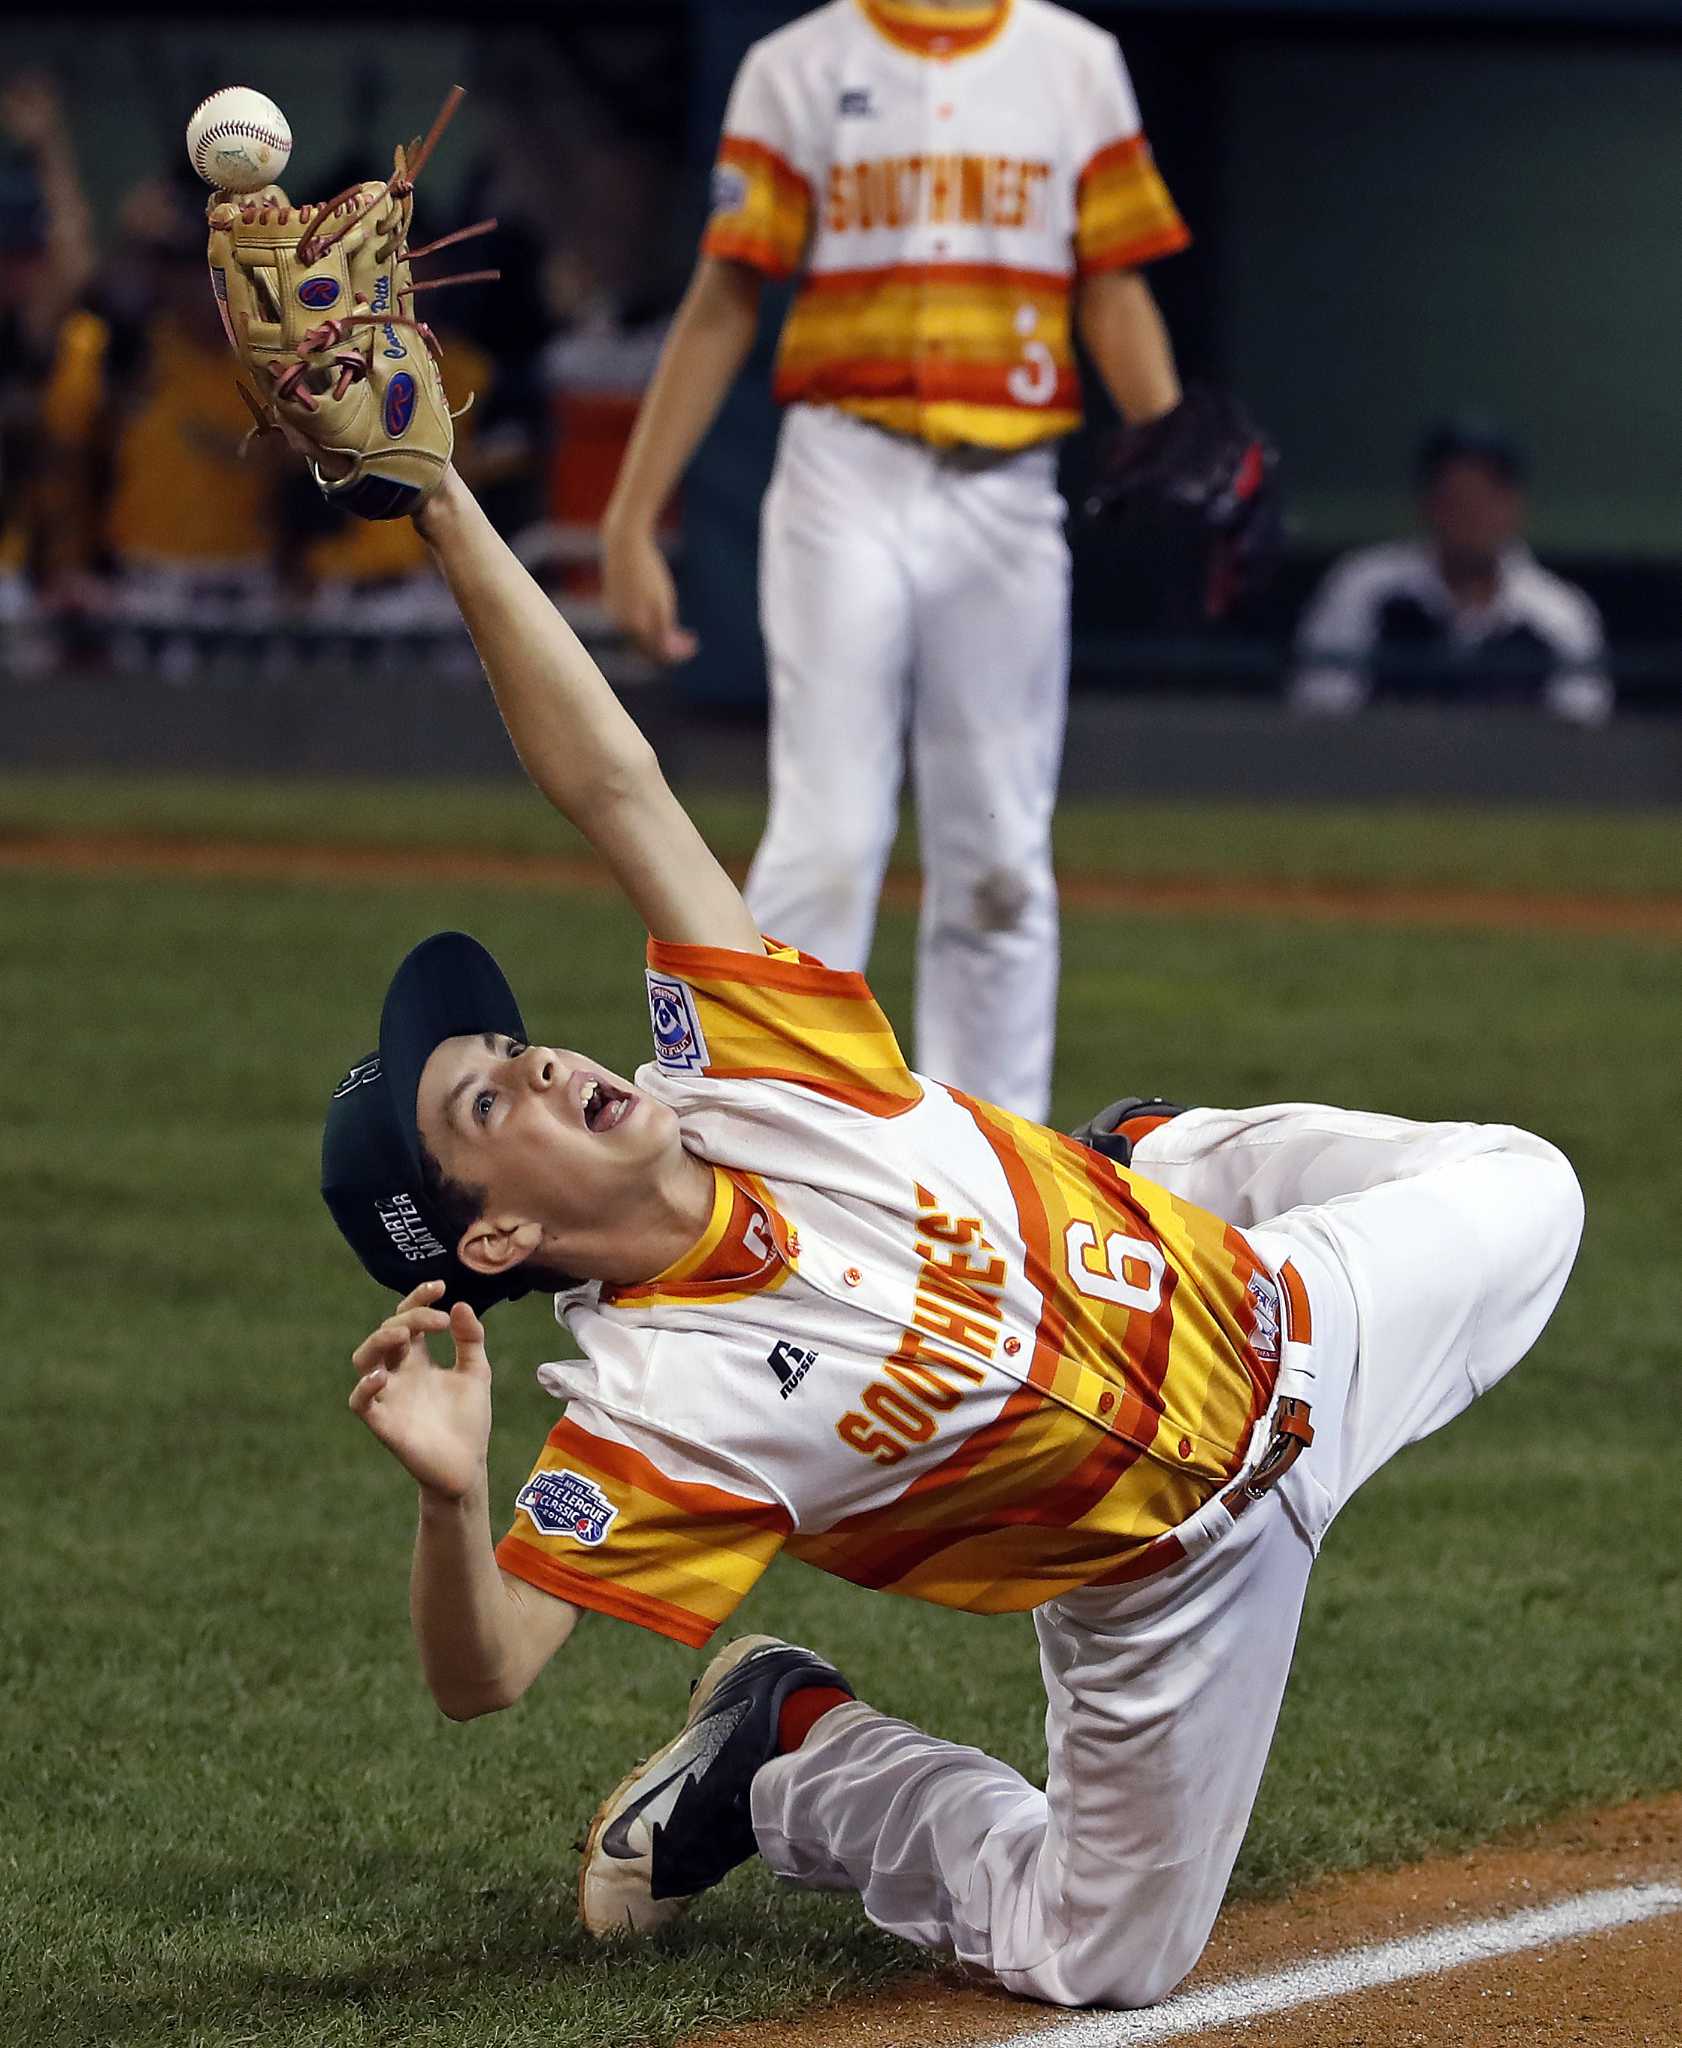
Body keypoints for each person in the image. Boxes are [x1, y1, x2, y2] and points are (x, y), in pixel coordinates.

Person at [319, 455, 1584, 2011]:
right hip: (1169, 1580)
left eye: (516, 1049)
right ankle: (783, 1755)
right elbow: (485, 1673)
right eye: (486, 1103)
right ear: (497, 1236)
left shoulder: (744, 1059)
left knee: (1536, 1189)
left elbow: (612, 782)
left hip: (1285, 1306)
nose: (544, 1064)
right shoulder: (658, 1414)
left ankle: (1148, 1160)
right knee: (1103, 1956)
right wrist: (453, 1506)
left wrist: (442, 501)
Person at [600, 0, 1195, 1121]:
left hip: (1008, 487)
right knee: (826, 837)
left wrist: (1167, 441)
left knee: (1000, 859)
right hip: (843, 471)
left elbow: (1113, 284)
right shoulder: (796, 64)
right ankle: (772, 1128)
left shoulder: (1074, 62)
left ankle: (998, 1162)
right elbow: (725, 294)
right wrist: (632, 516)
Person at [1291, 420, 1612, 725]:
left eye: (1486, 497)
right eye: (1455, 496)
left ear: (1514, 506)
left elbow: (1582, 740)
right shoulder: (1361, 587)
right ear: (1428, 505)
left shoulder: (1559, 614)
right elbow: (1319, 715)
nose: (1471, 514)